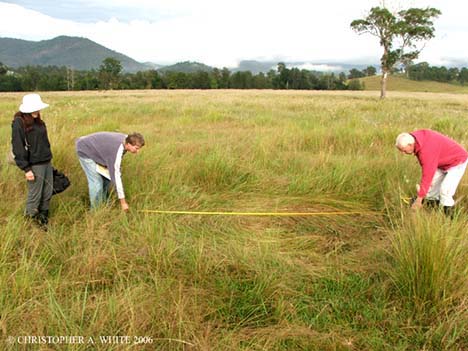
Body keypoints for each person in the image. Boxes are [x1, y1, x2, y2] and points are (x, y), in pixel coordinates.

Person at [395, 129, 468, 215]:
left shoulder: (426, 152)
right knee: (431, 193)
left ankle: (451, 218)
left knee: (445, 191)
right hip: (440, 162)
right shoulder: (415, 138)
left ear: (411, 145)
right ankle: (434, 212)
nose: (403, 153)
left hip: (457, 161)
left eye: (404, 150)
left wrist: (419, 199)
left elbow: (427, 175)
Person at [11, 93, 53, 229]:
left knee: (47, 192)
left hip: (46, 161)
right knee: (35, 194)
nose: (37, 111)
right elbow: (17, 146)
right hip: (34, 165)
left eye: (38, 108)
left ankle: (43, 219)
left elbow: (45, 142)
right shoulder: (19, 122)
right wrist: (26, 169)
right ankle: (30, 222)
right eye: (34, 108)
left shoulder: (39, 121)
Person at [75, 132, 145, 211]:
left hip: (95, 150)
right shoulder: (117, 149)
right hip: (84, 150)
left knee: (107, 178)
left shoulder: (127, 139)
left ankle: (104, 203)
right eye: (136, 148)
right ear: (128, 144)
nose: (137, 151)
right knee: (96, 182)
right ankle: (95, 211)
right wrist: (123, 202)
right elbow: (116, 177)